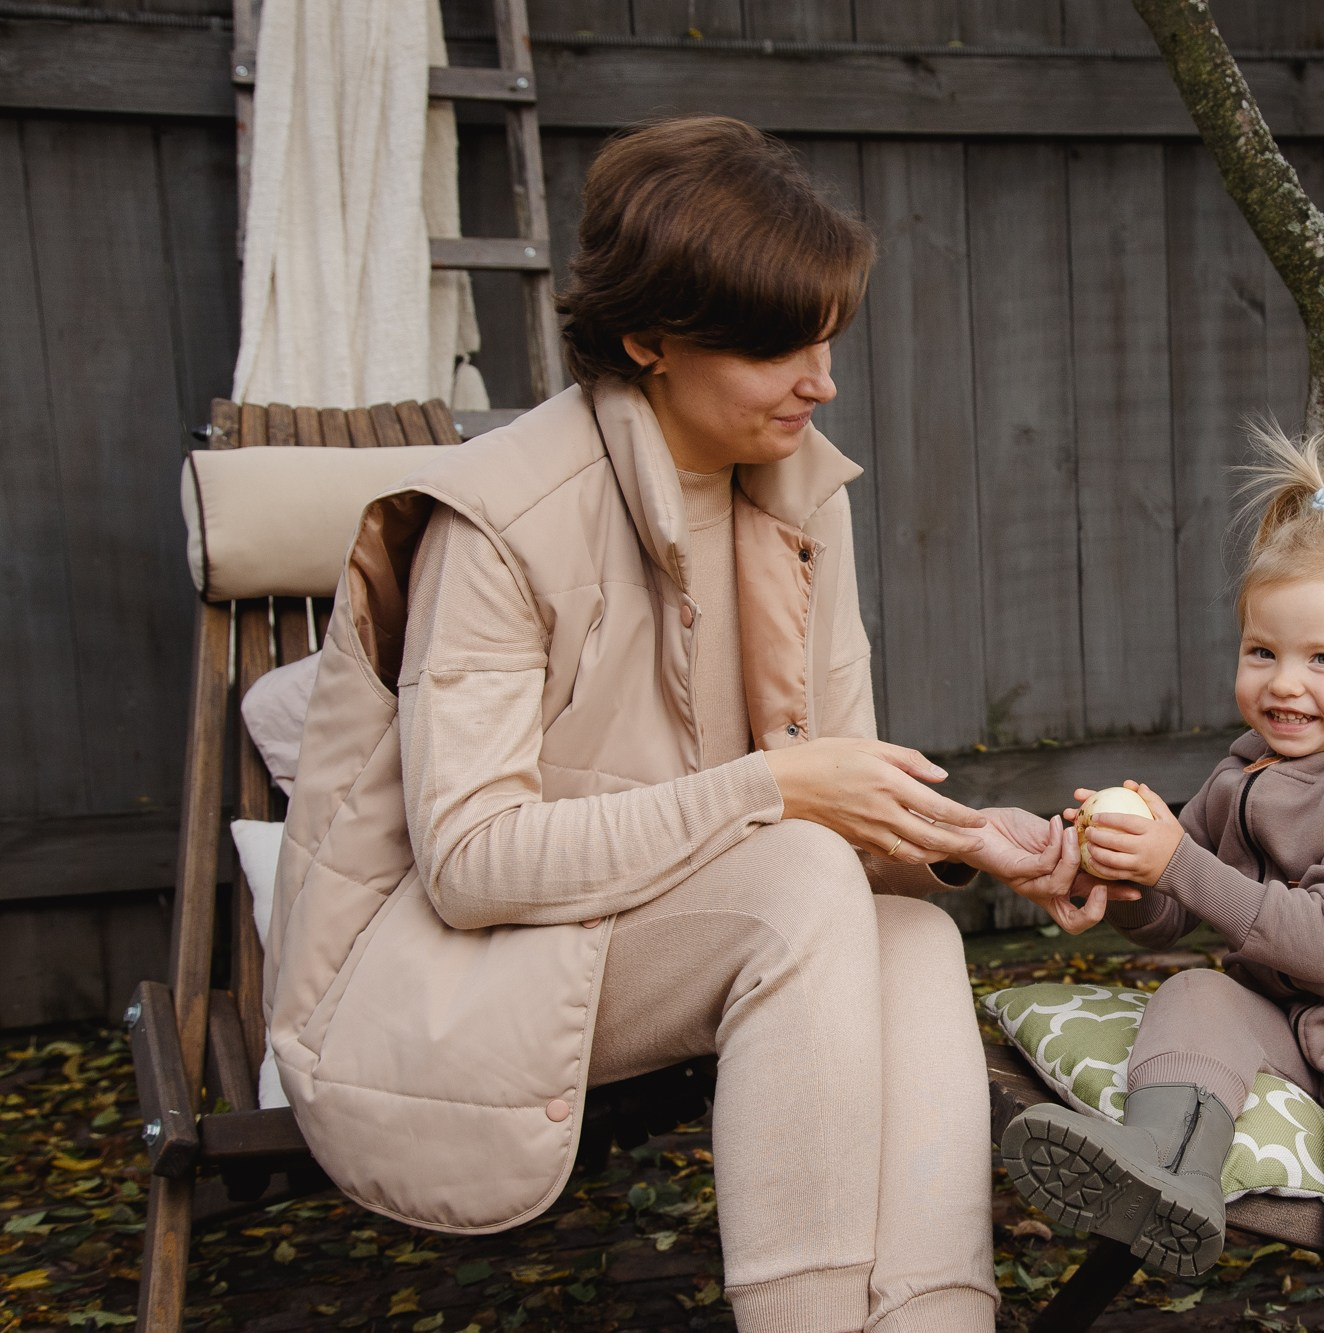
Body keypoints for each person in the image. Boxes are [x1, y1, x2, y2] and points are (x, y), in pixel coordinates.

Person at [267, 115, 1085, 1333]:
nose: (822, 380)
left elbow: (826, 799)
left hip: (663, 923)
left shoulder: (801, 490)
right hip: (437, 973)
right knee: (803, 873)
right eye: (774, 350)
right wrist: (775, 790)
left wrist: (966, 840)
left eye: (823, 339)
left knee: (910, 932)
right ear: (646, 340)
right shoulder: (496, 521)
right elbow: (471, 862)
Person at [999, 425, 1324, 1277]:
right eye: (1262, 651)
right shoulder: (1246, 768)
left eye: (1323, 659)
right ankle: (1163, 1169)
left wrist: (1175, 862)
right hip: (1295, 1025)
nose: (1284, 682)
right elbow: (1173, 916)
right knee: (1195, 990)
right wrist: (1124, 873)